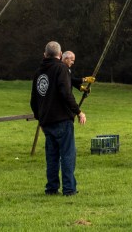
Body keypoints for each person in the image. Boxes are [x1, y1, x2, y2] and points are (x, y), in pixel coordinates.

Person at [31, 41, 87, 196]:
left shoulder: (38, 73)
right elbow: (65, 93)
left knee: (52, 156)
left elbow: (33, 100)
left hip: (47, 122)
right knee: (68, 154)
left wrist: (40, 119)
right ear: (60, 54)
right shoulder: (61, 68)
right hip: (62, 119)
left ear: (45, 54)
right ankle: (69, 189)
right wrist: (79, 112)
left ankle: (51, 188)